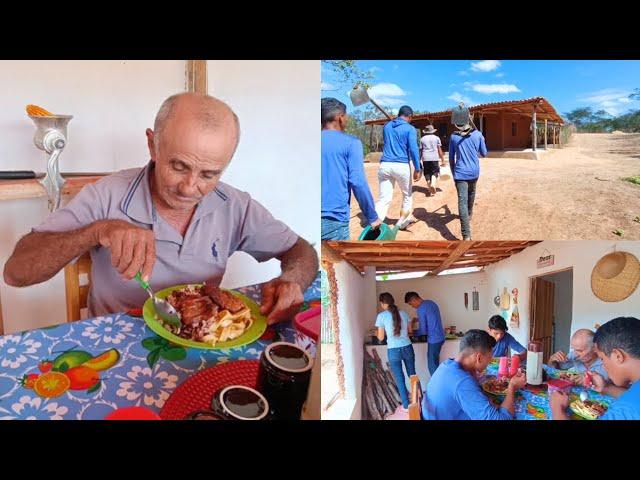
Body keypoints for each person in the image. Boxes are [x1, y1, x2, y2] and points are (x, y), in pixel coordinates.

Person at [3, 92, 318, 325]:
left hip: (199, 339)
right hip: (116, 344)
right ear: (153, 145)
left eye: (209, 174)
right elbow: (16, 273)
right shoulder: (106, 195)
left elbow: (301, 251)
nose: (189, 187)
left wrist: (293, 278)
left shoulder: (235, 205)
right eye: (179, 166)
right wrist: (99, 231)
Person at [422, 329, 526, 420]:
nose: (489, 362)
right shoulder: (462, 382)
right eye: (489, 358)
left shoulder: (447, 364)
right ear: (479, 358)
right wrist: (512, 386)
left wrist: (473, 374)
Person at [550, 317, 640, 420]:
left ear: (618, 356)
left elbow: (632, 402)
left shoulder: (628, 410)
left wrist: (557, 409)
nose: (603, 364)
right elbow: (632, 395)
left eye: (602, 359)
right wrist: (606, 388)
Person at [321, 98, 381, 240]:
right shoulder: (351, 143)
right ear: (339, 117)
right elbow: (358, 182)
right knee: (335, 262)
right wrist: (372, 216)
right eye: (346, 115)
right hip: (333, 218)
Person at [374, 105, 422, 230]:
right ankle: (403, 223)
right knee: (407, 195)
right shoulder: (410, 129)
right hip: (401, 165)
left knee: (384, 198)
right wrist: (417, 168)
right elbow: (413, 149)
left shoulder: (387, 126)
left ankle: (375, 223)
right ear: (410, 116)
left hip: (385, 164)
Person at [448, 109, 487, 240]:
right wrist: (483, 140)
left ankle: (466, 235)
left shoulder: (453, 137)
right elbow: (484, 153)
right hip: (474, 172)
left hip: (460, 173)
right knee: (471, 194)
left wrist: (454, 173)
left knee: (462, 202)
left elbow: (451, 158)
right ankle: (469, 215)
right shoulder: (478, 135)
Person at [375, 292, 416, 411]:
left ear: (382, 303)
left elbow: (381, 338)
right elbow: (410, 331)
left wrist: (376, 333)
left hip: (393, 351)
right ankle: (417, 398)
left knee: (399, 377)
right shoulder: (403, 313)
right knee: (412, 374)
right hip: (407, 347)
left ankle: (406, 405)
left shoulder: (381, 316)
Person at [404, 291, 445, 376]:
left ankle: (436, 386)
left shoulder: (421, 309)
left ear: (414, 300)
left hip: (434, 339)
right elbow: (431, 318)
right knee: (435, 363)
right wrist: (418, 319)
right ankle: (439, 384)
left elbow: (423, 331)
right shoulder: (431, 303)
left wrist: (412, 333)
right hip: (441, 337)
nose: (412, 307)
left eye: (411, 304)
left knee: (432, 365)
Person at [419, 125, 445, 196]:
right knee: (435, 171)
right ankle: (433, 183)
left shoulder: (422, 139)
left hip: (425, 158)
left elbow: (421, 151)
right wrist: (442, 159)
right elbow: (439, 149)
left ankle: (429, 184)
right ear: (432, 131)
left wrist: (418, 160)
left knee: (427, 172)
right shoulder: (436, 138)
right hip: (434, 157)